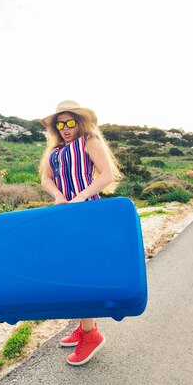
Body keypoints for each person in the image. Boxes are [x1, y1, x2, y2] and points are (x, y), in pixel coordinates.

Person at [39, 100, 123, 366]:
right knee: (71, 271)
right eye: (59, 124)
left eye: (69, 122)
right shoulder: (55, 149)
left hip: (87, 212)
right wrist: (58, 196)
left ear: (79, 121)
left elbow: (107, 175)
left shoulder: (89, 140)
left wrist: (80, 196)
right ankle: (85, 325)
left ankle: (91, 334)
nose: (65, 128)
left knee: (81, 273)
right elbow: (46, 178)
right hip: (65, 215)